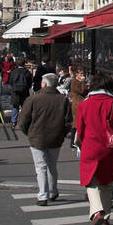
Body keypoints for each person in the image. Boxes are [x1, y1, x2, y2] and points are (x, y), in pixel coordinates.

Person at [76, 71, 113, 225]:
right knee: (107, 182)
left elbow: (80, 129)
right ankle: (105, 215)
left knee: (90, 181)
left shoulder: (84, 104)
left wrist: (83, 143)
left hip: (90, 145)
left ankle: (97, 211)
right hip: (109, 147)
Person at [18, 73, 73, 205]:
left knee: (40, 166)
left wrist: (29, 133)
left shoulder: (33, 99)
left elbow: (23, 121)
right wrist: (62, 134)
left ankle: (43, 195)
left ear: (44, 84)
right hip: (55, 137)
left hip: (37, 137)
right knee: (52, 166)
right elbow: (68, 122)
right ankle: (53, 191)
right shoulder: (62, 99)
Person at [7, 58, 33, 127]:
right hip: (24, 91)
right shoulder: (27, 72)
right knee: (24, 107)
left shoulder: (13, 72)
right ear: (24, 64)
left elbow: (11, 82)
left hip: (15, 92)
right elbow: (30, 82)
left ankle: (13, 121)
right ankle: (24, 121)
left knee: (15, 107)